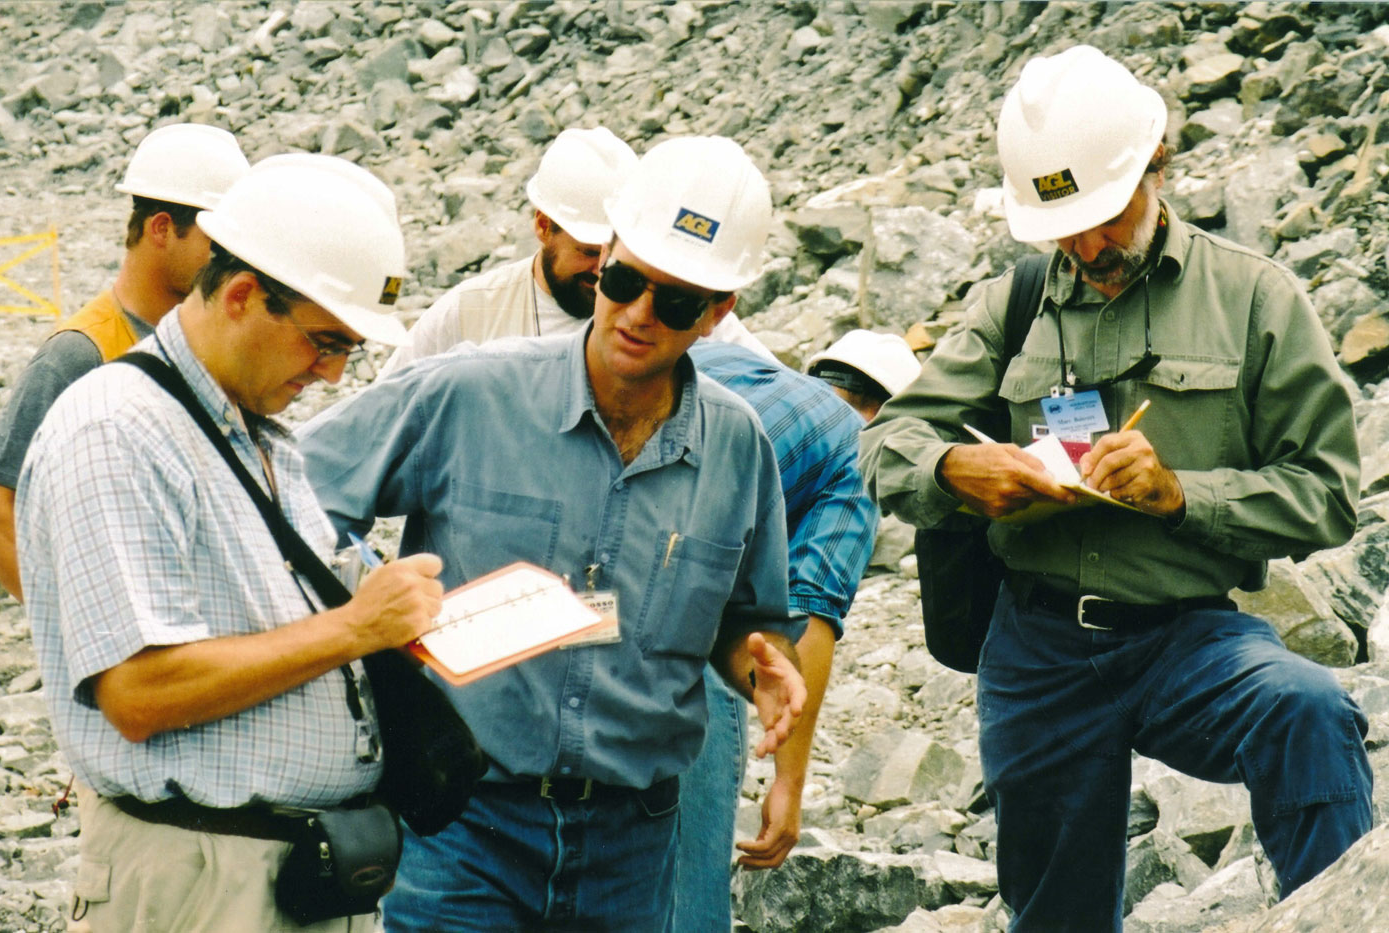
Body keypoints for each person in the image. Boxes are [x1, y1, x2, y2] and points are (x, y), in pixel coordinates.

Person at [859, 45, 1371, 932]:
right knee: (1056, 914)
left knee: (1309, 712)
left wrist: (1184, 495)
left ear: (1156, 164)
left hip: (1190, 638)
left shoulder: (1255, 300)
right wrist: (953, 469)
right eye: (1065, 227)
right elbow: (884, 439)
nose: (1088, 247)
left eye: (1108, 216)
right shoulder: (1011, 305)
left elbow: (1326, 494)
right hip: (1038, 650)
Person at [297, 135, 808, 933]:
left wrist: (761, 668)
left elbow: (748, 621)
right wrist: (365, 605)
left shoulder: (738, 449)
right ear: (603, 261)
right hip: (464, 830)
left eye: (674, 302)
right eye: (625, 280)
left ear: (718, 314)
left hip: (633, 851)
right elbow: (296, 495)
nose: (637, 314)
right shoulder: (470, 392)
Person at [18, 154, 445, 933]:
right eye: (325, 342)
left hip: (290, 875)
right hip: (199, 884)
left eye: (348, 349)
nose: (332, 373)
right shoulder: (117, 429)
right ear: (244, 295)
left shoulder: (254, 429)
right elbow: (139, 692)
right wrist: (355, 627)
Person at [672, 330, 919, 933]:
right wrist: (788, 783)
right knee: (688, 871)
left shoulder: (726, 358)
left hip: (552, 599)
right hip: (675, 628)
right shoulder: (860, 445)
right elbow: (812, 615)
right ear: (890, 413)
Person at [0, 123, 249, 601]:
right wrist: (71, 619)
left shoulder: (207, 346)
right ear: (163, 229)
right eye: (218, 247)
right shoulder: (80, 353)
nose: (231, 264)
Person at [379, 125, 772, 377]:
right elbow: (382, 415)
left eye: (618, 259)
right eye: (587, 251)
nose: (602, 269)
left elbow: (780, 390)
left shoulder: (681, 312)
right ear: (543, 226)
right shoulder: (473, 311)